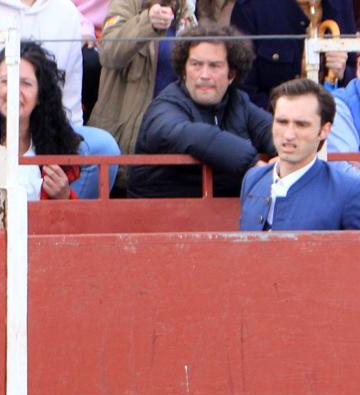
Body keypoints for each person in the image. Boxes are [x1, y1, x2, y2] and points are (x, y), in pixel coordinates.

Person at [129, 22, 273, 198]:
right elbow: (189, 134)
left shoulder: (238, 101)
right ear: (184, 71)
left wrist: (289, 155)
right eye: (196, 64)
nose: (204, 75)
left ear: (231, 74)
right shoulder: (165, 105)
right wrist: (252, 163)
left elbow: (273, 131)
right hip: (163, 217)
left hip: (228, 216)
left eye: (214, 66)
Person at [88, 0, 203, 190]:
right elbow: (108, 52)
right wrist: (147, 22)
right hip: (126, 146)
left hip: (171, 145)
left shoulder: (185, 10)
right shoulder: (126, 3)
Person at [0, 41, 86, 201]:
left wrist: (64, 196)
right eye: (5, 81)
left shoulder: (54, 143)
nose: (13, 90)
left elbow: (69, 220)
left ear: (40, 95)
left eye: (25, 83)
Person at [240, 77, 360, 230]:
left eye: (301, 124)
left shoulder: (348, 190)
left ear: (324, 130)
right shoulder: (253, 179)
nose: (289, 134)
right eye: (282, 122)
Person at [230, 0, 354, 111]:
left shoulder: (342, 4)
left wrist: (342, 74)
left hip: (332, 121)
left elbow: (353, 74)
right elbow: (243, 92)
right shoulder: (252, 7)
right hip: (270, 125)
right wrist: (283, 120)